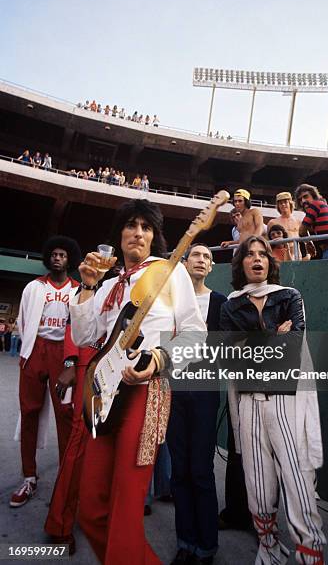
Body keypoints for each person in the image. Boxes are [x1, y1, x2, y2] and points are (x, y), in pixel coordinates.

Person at [69, 199, 206, 565]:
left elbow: (195, 334)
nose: (138, 233)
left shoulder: (169, 270)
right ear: (120, 234)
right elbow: (85, 337)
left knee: (126, 513)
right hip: (103, 395)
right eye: (131, 225)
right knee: (91, 510)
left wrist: (160, 360)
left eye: (146, 227)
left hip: (146, 392)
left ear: (154, 237)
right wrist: (85, 286)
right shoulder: (109, 283)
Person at [220, 236, 326, 565]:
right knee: (257, 481)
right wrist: (271, 340)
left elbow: (293, 346)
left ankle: (311, 552)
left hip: (286, 399)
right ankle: (268, 549)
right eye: (249, 255)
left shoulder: (289, 296)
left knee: (297, 478)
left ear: (270, 262)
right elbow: (229, 357)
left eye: (262, 254)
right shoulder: (230, 305)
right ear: (240, 265)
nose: (256, 259)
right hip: (249, 401)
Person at [10, 236, 81, 508]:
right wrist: (26, 353)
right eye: (54, 254)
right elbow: (24, 319)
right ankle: (29, 476)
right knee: (28, 411)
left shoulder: (77, 289)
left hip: (63, 353)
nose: (57, 258)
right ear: (47, 258)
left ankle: (66, 478)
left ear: (69, 259)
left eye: (63, 255)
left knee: (66, 414)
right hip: (36, 350)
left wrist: (72, 363)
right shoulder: (34, 287)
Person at [168, 244, 226, 564]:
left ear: (212, 266)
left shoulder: (220, 302)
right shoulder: (171, 301)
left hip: (204, 390)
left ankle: (206, 546)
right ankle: (185, 542)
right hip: (173, 389)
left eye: (206, 257)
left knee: (201, 469)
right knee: (179, 469)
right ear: (185, 264)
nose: (200, 260)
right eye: (195, 256)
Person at [44, 322, 100, 554]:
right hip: (88, 368)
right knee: (79, 443)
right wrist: (70, 363)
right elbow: (73, 326)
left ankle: (97, 514)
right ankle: (60, 523)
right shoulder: (90, 288)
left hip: (123, 369)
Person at [267, 191, 314, 260]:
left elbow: (307, 241)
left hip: (297, 256)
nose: (283, 205)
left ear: (290, 203)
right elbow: (268, 243)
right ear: (278, 206)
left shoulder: (298, 222)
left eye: (285, 202)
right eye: (280, 203)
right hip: (279, 257)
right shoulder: (273, 222)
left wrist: (308, 255)